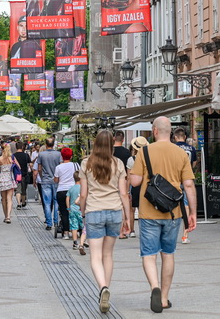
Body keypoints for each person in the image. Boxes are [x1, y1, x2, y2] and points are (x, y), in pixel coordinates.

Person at [128, 117, 197, 313]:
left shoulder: (144, 151)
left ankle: (154, 287)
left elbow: (135, 182)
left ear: (155, 131)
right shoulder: (181, 153)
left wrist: (131, 174)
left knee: (149, 255)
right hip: (173, 212)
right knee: (168, 254)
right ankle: (165, 298)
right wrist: (192, 213)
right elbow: (189, 185)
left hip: (148, 211)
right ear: (171, 132)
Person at [79, 129, 131, 314]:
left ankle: (102, 288)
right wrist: (128, 217)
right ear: (111, 144)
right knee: (108, 254)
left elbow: (83, 194)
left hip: (94, 210)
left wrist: (83, 211)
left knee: (95, 256)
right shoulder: (118, 164)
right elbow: (124, 193)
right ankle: (106, 288)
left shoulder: (86, 163)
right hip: (115, 211)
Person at [173, 128, 197, 244]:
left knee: (172, 205)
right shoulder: (191, 148)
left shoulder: (172, 148)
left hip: (174, 179)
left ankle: (171, 233)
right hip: (187, 178)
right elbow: (194, 163)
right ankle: (185, 235)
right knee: (186, 206)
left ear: (175, 137)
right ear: (185, 137)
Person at [54, 147, 79, 240]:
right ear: (71, 156)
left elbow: (56, 180)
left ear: (62, 156)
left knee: (64, 212)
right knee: (74, 210)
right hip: (73, 190)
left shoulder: (58, 167)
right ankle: (76, 230)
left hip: (61, 191)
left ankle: (66, 232)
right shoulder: (76, 165)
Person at [127, 136, 149, 238]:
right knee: (143, 210)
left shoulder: (131, 160)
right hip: (145, 186)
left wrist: (127, 191)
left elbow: (129, 178)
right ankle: (144, 230)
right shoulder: (148, 159)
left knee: (132, 209)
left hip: (135, 187)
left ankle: (132, 230)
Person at [38, 137, 62, 230]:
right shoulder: (58, 154)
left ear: (46, 144)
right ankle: (56, 222)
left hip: (45, 180)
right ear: (53, 144)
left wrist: (42, 176)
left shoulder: (41, 154)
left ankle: (49, 223)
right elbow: (60, 167)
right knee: (56, 202)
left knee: (47, 202)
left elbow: (39, 168)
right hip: (56, 181)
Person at [113, 130, 132, 239]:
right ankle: (121, 232)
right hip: (123, 180)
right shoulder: (126, 153)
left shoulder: (111, 152)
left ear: (114, 138)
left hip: (111, 180)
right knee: (123, 206)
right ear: (123, 139)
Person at [0, 143, 17, 223]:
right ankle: (8, 216)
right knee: (9, 198)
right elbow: (19, 167)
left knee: (4, 199)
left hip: (2, 179)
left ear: (1, 149)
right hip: (10, 178)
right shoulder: (12, 158)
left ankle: (5, 216)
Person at [66, 170, 86, 254]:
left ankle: (75, 242)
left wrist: (68, 208)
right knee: (83, 227)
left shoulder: (71, 188)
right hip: (80, 209)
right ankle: (83, 241)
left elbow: (67, 198)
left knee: (74, 226)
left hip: (72, 210)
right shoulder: (83, 188)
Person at [12, 141, 32, 210]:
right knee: (23, 190)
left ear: (16, 147)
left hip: (16, 175)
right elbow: (30, 164)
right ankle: (23, 202)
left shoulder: (13, 155)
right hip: (24, 174)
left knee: (18, 190)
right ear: (23, 147)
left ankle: (18, 203)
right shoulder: (26, 155)